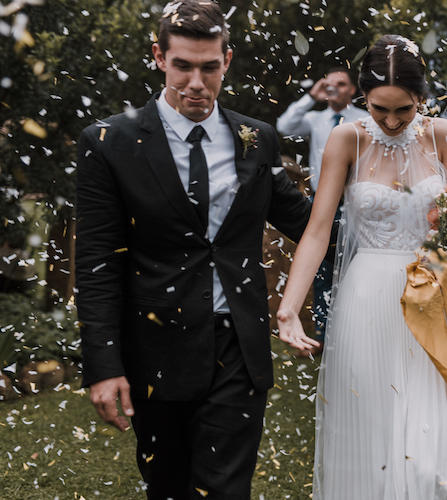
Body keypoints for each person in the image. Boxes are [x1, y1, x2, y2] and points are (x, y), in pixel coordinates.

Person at [74, 1, 314, 498]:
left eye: (209, 68)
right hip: (155, 349)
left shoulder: (257, 139)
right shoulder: (108, 142)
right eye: (182, 66)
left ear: (227, 60)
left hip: (238, 346)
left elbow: (308, 223)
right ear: (159, 57)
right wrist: (104, 365)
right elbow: (97, 262)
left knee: (225, 490)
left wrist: (396, 227)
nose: (196, 83)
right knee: (168, 488)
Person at [276, 35, 447, 499]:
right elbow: (317, 229)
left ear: (421, 99)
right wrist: (290, 306)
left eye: (402, 110)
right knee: (371, 440)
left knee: (432, 461)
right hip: (367, 301)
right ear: (361, 98)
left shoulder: (444, 135)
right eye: (378, 108)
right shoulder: (346, 138)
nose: (389, 122)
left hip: (435, 297)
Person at [277, 68, 369, 357]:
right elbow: (284, 125)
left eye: (340, 85)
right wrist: (310, 96)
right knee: (322, 270)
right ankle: (323, 338)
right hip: (321, 201)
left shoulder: (364, 120)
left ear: (352, 89)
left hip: (357, 200)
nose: (334, 90)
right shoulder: (315, 119)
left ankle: (359, 333)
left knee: (357, 266)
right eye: (328, 86)